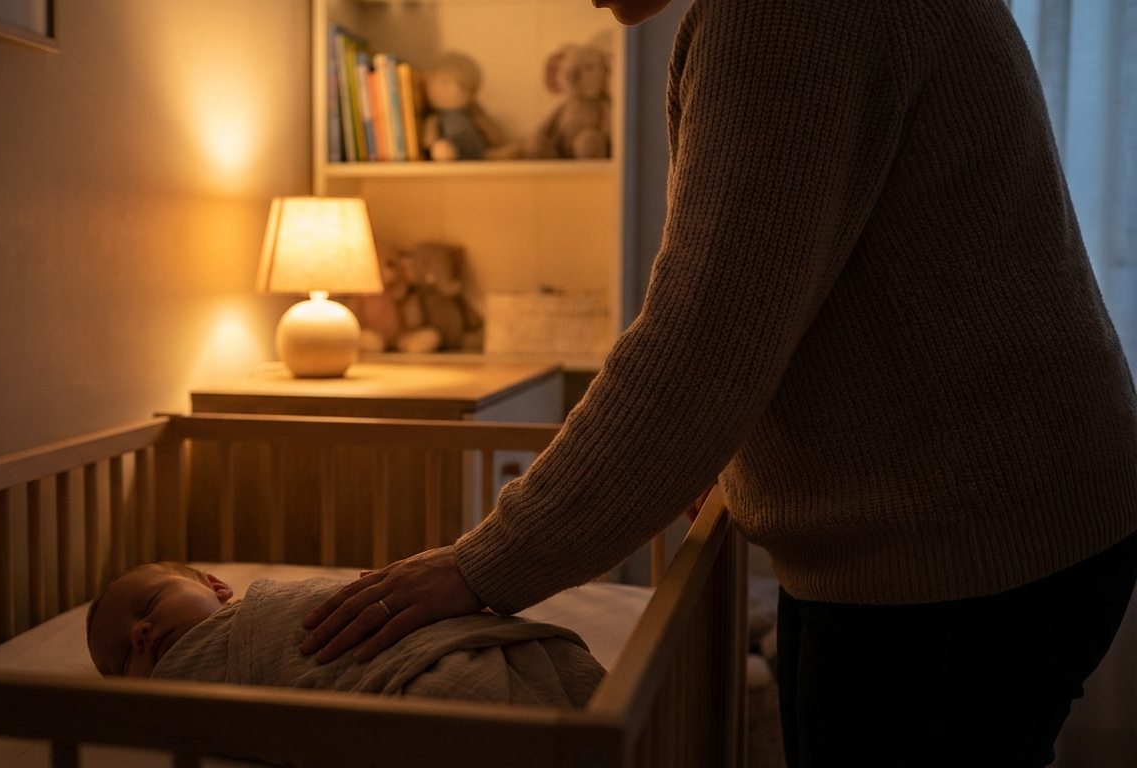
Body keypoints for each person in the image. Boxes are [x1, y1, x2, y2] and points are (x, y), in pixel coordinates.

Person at [300, 0, 1137, 765]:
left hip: (964, 552)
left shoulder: (782, 21)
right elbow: (804, 284)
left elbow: (700, 344)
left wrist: (481, 565)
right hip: (996, 512)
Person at [86, 561, 604, 707]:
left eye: (150, 606)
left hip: (438, 648)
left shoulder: (267, 608)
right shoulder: (176, 704)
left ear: (219, 588)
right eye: (121, 654)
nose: (141, 634)